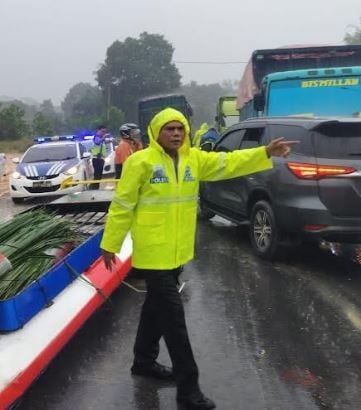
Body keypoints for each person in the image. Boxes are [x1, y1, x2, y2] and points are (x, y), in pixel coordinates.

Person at [100, 108, 297, 410]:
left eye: (180, 128)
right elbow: (122, 205)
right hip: (153, 254)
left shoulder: (194, 158)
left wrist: (264, 152)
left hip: (178, 250)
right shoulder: (141, 162)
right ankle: (188, 391)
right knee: (174, 322)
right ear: (156, 132)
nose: (176, 134)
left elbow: (229, 162)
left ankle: (143, 361)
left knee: (155, 308)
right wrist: (110, 244)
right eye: (169, 129)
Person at [90, 124, 109, 189]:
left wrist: (108, 140)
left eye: (105, 132)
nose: (104, 133)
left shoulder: (100, 138)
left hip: (100, 159)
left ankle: (95, 187)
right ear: (98, 130)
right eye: (103, 131)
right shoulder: (96, 137)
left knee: (99, 175)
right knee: (97, 175)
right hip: (97, 159)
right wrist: (103, 138)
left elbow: (102, 144)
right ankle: (94, 188)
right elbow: (97, 142)